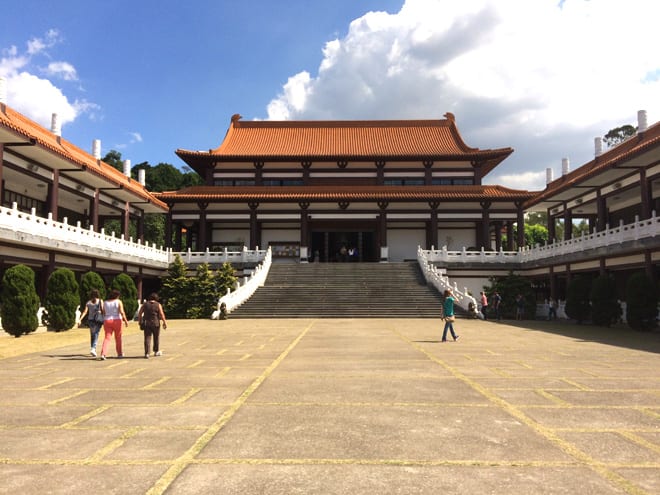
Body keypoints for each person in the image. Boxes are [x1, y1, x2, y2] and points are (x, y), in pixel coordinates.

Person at [99, 289, 129, 360]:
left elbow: (103, 312)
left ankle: (103, 354)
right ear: (117, 296)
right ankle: (119, 353)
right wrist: (125, 320)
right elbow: (122, 312)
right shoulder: (118, 301)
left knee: (107, 338)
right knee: (118, 337)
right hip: (117, 320)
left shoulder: (105, 302)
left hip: (107, 320)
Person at [138, 292, 168, 358]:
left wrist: (140, 321)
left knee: (147, 338)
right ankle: (156, 351)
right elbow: (161, 314)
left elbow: (140, 313)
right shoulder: (158, 304)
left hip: (147, 323)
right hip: (156, 323)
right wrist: (164, 322)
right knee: (156, 337)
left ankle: (147, 353)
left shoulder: (145, 304)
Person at [77, 289, 104, 357]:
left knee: (92, 334)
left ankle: (93, 348)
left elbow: (85, 312)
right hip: (98, 319)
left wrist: (80, 319)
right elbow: (103, 310)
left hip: (90, 319)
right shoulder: (100, 301)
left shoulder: (88, 302)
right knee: (96, 334)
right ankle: (93, 348)